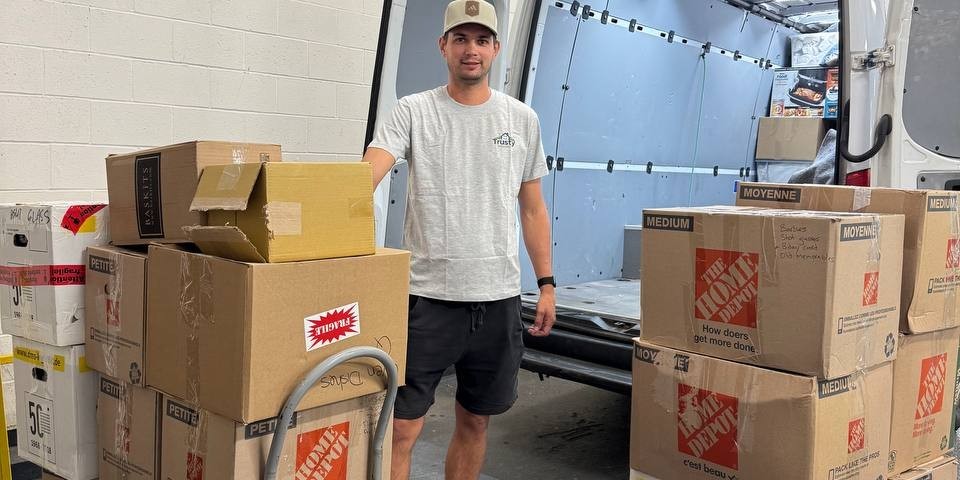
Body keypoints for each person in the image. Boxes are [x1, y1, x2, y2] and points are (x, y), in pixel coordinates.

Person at [361, 1, 556, 478]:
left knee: (475, 421)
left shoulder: (521, 119)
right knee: (400, 428)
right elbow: (364, 177)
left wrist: (547, 284)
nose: (472, 50)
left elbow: (532, 208)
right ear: (443, 46)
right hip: (428, 301)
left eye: (482, 40)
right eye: (461, 39)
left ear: (496, 49)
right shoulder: (413, 111)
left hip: (497, 300)